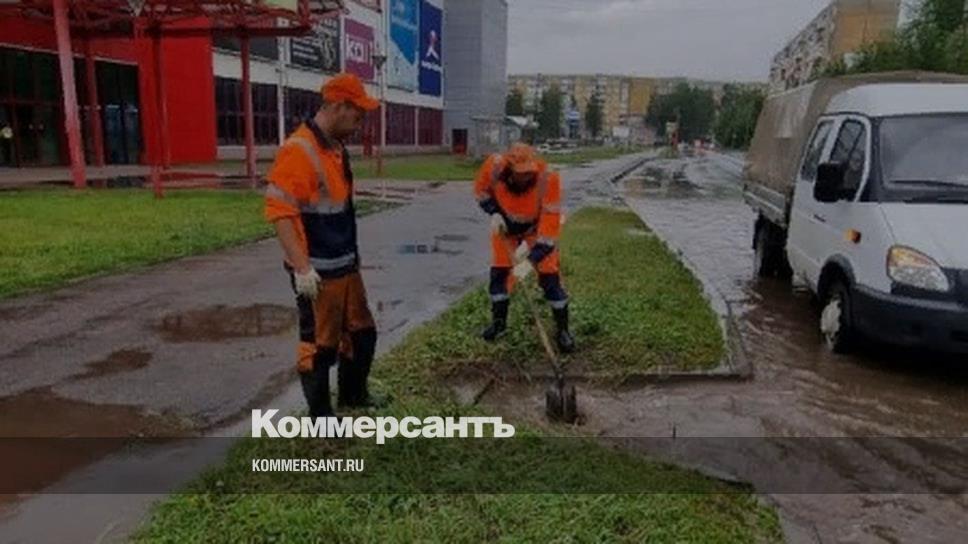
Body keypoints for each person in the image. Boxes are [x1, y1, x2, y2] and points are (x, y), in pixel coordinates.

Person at [264, 73, 382, 418]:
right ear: (339, 106)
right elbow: (280, 212)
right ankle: (321, 419)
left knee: (362, 334)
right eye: (358, 114)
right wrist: (302, 269)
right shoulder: (299, 150)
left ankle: (354, 396)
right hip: (317, 273)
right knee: (320, 346)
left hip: (345, 264)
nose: (361, 122)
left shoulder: (335, 148)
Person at [473, 143, 575, 353]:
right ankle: (499, 325)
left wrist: (530, 262)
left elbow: (548, 234)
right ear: (509, 168)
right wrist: (493, 212)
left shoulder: (548, 179)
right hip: (505, 229)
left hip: (536, 231)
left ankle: (563, 330)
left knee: (549, 277)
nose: (525, 177)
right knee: (500, 275)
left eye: (529, 172)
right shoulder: (494, 166)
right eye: (520, 173)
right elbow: (481, 191)